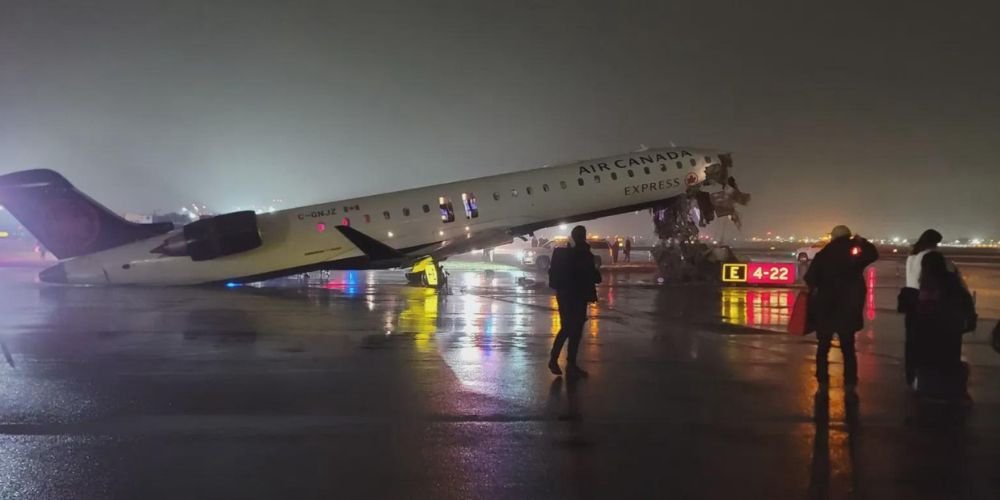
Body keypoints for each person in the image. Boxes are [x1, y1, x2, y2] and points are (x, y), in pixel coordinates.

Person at [804, 225, 878, 388]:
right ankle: (850, 380)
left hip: (826, 308)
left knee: (823, 347)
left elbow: (810, 278)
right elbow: (873, 254)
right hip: (848, 308)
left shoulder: (823, 254)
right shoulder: (854, 253)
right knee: (848, 348)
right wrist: (862, 241)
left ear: (833, 237)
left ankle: (822, 378)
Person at [912, 251, 974, 399]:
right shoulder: (953, 280)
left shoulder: (928, 282)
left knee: (932, 360)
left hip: (934, 327)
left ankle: (933, 391)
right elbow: (966, 300)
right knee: (950, 359)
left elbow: (925, 307)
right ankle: (951, 390)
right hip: (953, 327)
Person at [548, 225, 602, 378]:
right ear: (584, 236)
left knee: (566, 328)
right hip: (578, 297)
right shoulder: (584, 254)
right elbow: (595, 277)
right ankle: (569, 364)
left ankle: (555, 360)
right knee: (575, 331)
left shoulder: (565, 254)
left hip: (564, 295)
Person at [900, 229, 945, 386]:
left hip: (909, 298)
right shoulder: (931, 256)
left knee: (911, 340)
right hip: (924, 299)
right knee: (926, 340)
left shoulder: (912, 256)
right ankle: (924, 376)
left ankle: (911, 375)